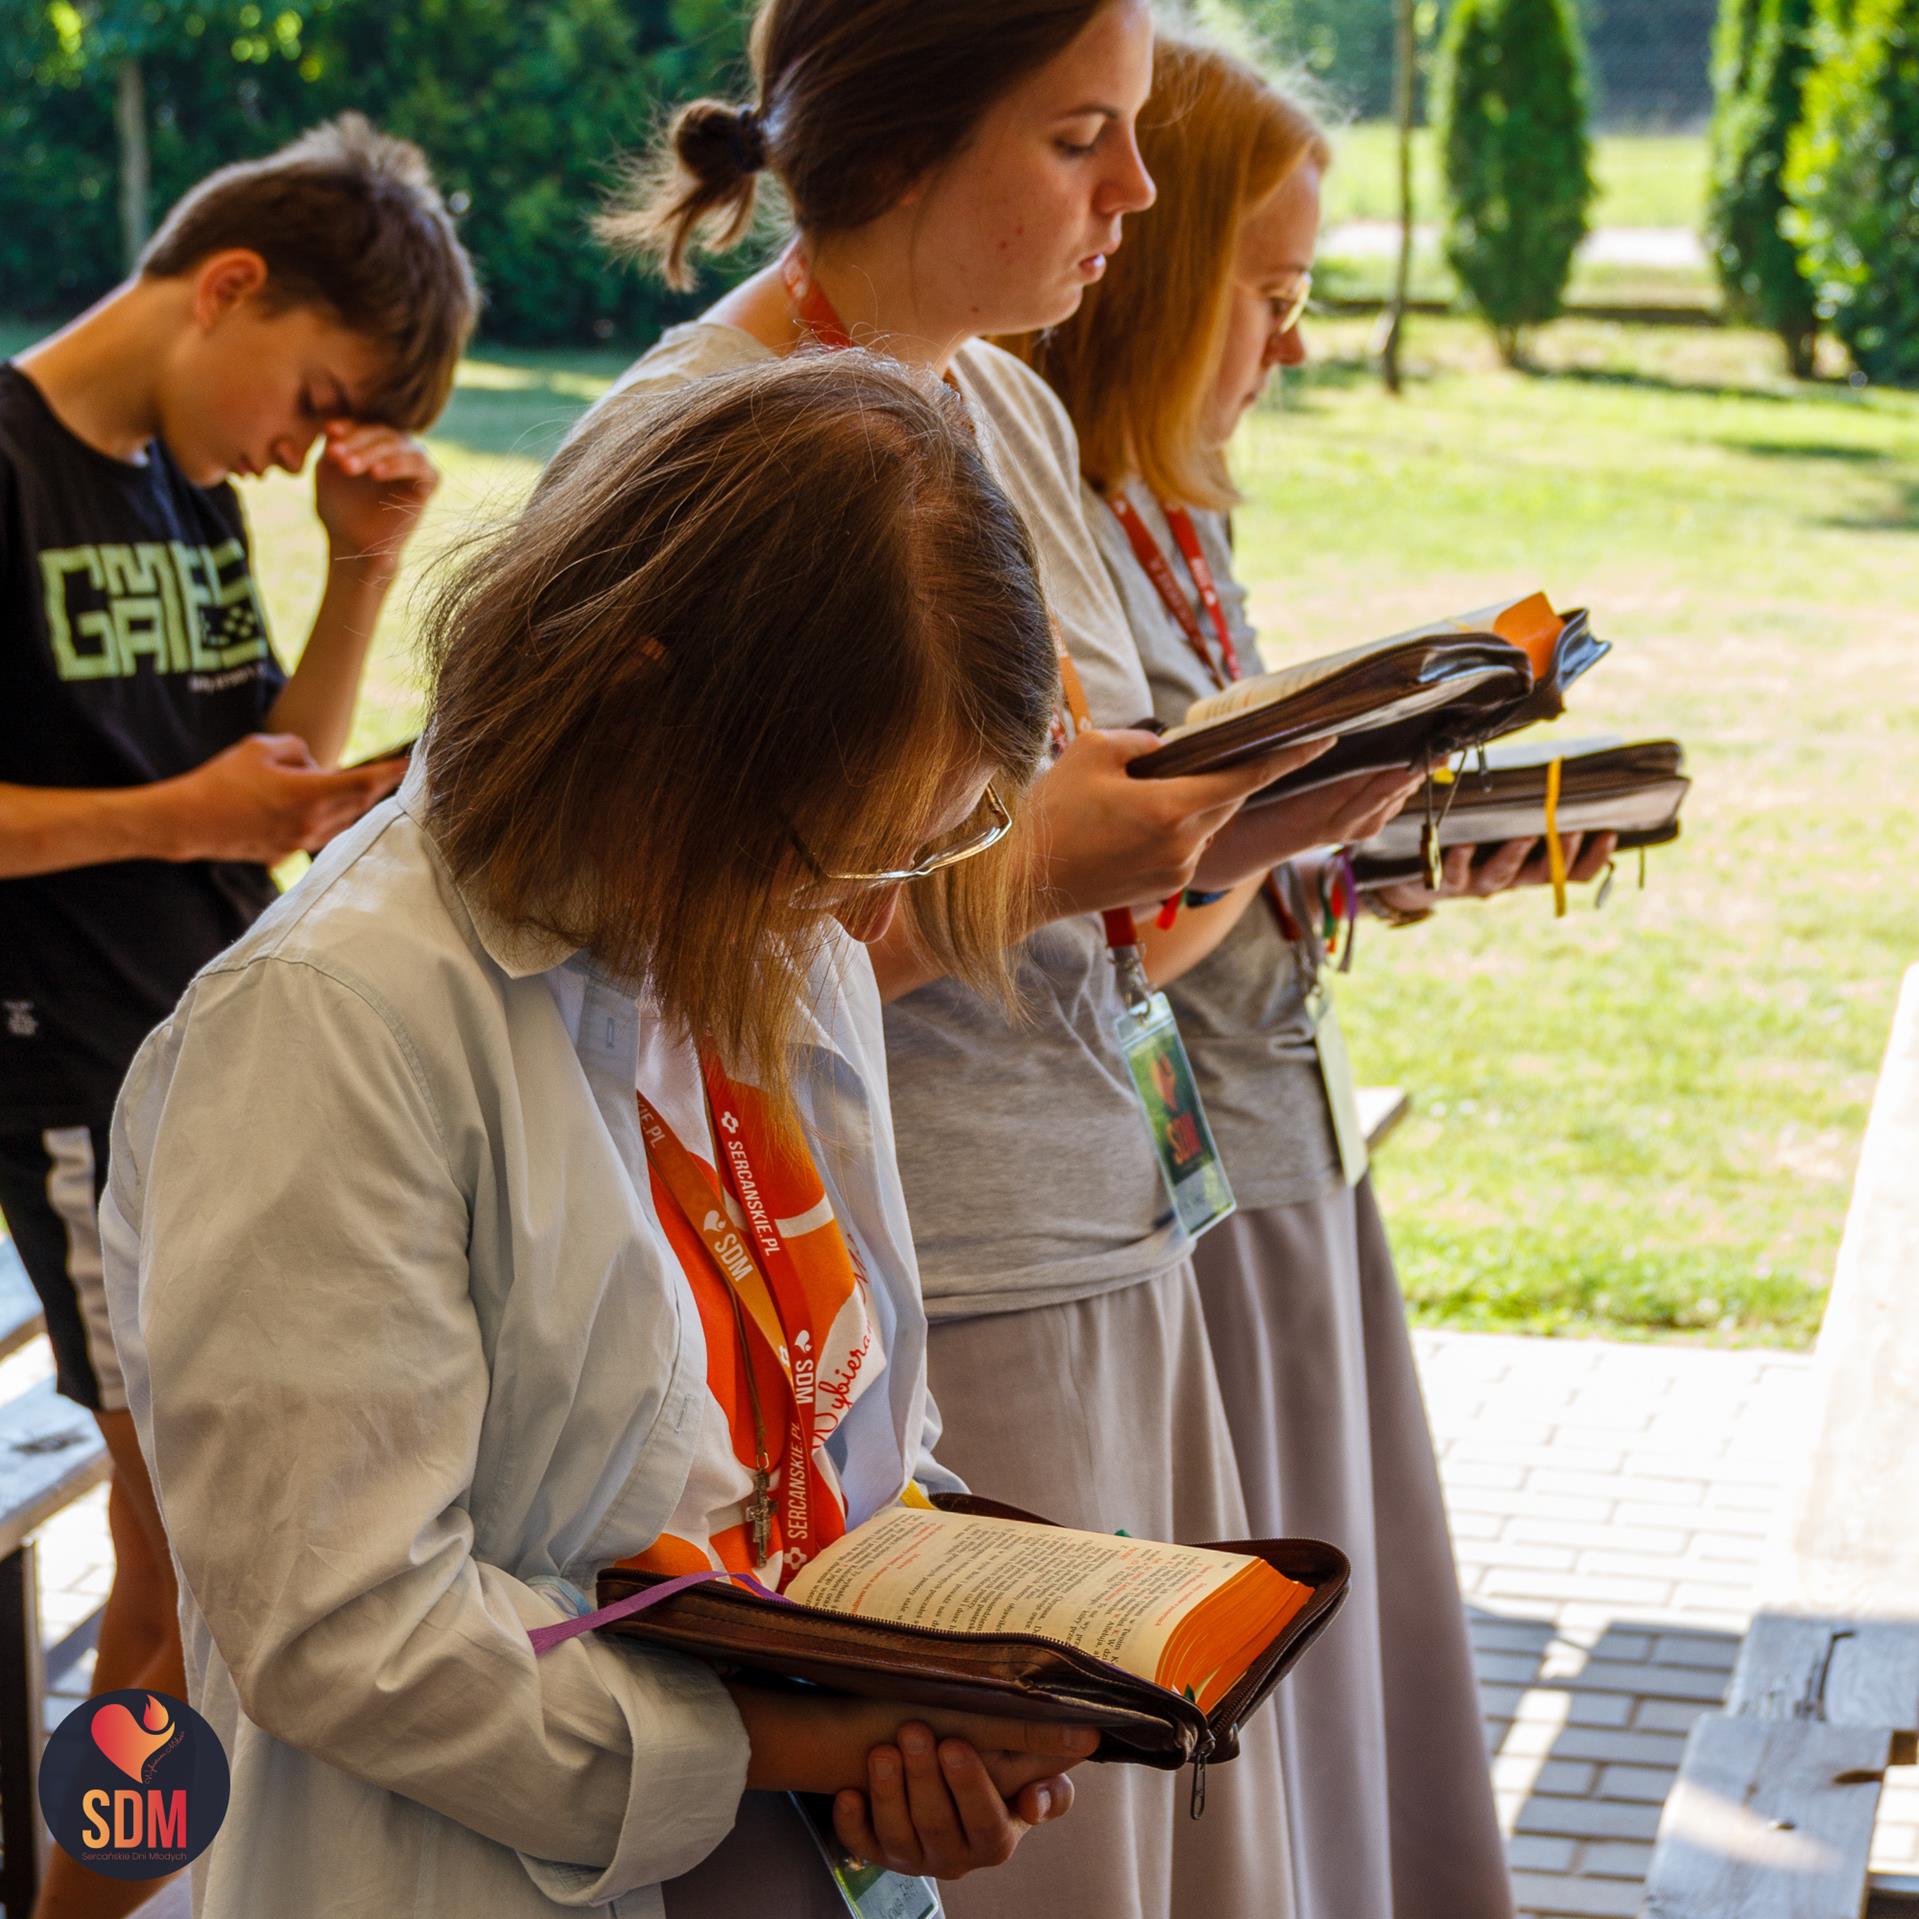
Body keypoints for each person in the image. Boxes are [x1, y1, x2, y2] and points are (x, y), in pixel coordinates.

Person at [590, 6, 1426, 1913]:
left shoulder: (1006, 401)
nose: (1137, 190)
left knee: (1155, 1820)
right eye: (1077, 139)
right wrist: (1050, 863)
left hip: (1104, 1206)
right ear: (899, 147)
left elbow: (1084, 811)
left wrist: (1266, 809)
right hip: (916, 1281)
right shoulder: (701, 441)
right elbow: (659, 980)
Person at [98, 350, 1103, 1917]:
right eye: (832, 848)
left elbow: (823, 1415)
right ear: (637, 703)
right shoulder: (331, 1023)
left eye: (916, 849)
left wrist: (946, 1683)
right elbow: (343, 1627)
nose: (860, 918)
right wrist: (801, 1742)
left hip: (776, 1821)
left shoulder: (764, 927)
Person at [1015, 37, 1619, 1918]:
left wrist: (1393, 843)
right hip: (1179, 1181)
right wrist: (1297, 816)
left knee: (1343, 1628)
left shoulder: (1178, 506)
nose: (1287, 346)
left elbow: (1231, 853)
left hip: (1282, 1144)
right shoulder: (1052, 522)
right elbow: (1114, 910)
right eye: (1266, 296)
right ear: (1159, 281)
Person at [0, 114, 476, 1919]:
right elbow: (190, 807)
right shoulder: (11, 466)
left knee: (199, 1565)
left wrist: (359, 567)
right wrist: (173, 818)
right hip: (75, 1089)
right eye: (314, 399)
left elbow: (259, 773)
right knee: (179, 1575)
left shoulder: (180, 481)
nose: (296, 450)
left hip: (210, 1070)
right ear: (228, 287)